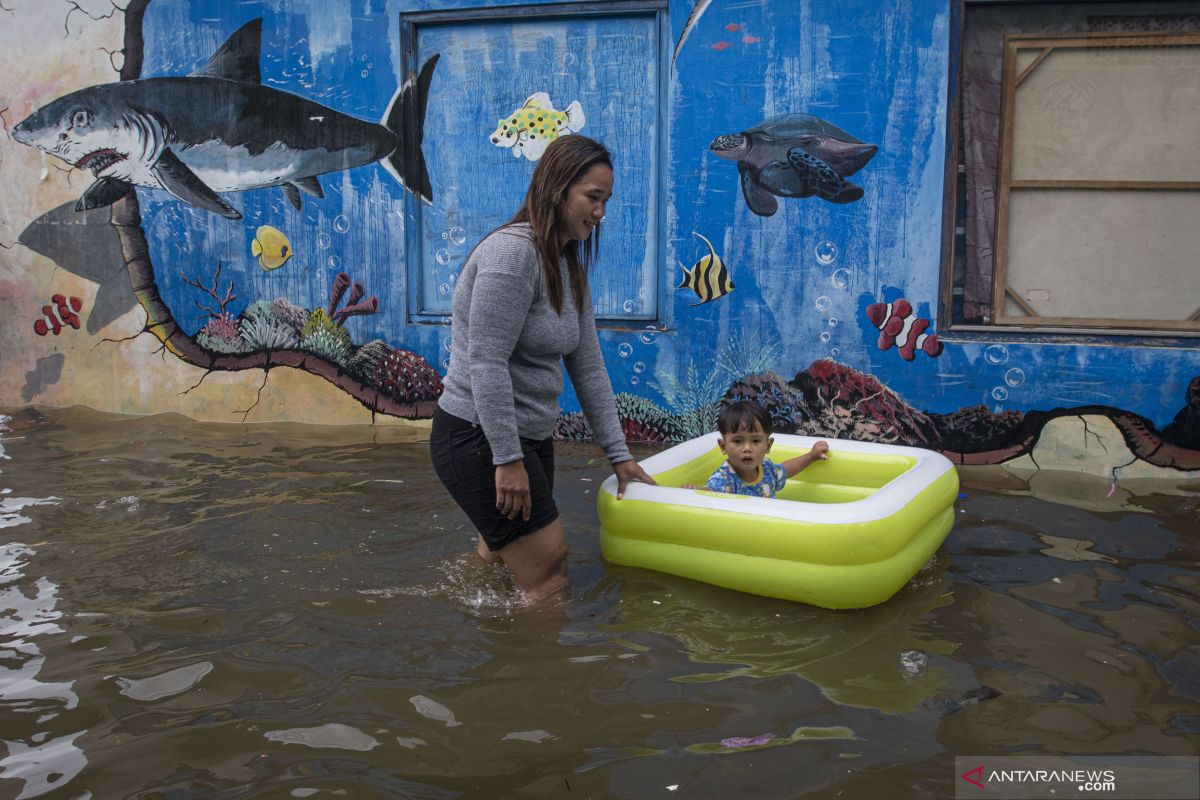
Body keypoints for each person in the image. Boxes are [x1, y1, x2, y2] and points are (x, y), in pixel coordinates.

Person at [430, 134, 656, 603]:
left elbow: (589, 368)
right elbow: (486, 362)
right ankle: (542, 676)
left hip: (525, 438)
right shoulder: (512, 256)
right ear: (557, 189)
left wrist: (619, 455)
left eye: (606, 200)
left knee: (500, 563)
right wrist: (507, 459)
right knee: (549, 576)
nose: (601, 213)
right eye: (593, 198)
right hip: (477, 437)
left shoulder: (567, 265)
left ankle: (465, 631)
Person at [687, 400, 829, 497]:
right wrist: (696, 492)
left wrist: (811, 456)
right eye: (737, 441)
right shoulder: (725, 478)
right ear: (723, 446)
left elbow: (786, 470)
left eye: (755, 441)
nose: (747, 448)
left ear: (768, 446)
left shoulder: (766, 468)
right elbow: (709, 493)